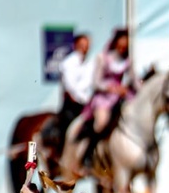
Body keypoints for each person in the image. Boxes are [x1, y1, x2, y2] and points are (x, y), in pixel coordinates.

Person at [79, 28, 133, 171]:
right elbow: (96, 82)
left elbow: (134, 80)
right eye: (121, 45)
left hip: (121, 98)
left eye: (125, 46)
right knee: (101, 122)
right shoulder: (103, 58)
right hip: (104, 98)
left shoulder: (128, 61)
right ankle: (88, 154)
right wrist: (112, 88)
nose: (122, 49)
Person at [57, 33, 94, 141]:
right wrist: (82, 100)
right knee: (69, 132)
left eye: (86, 45)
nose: (84, 48)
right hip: (73, 105)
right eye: (81, 45)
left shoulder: (89, 64)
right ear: (75, 46)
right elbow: (70, 88)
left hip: (87, 104)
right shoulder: (68, 63)